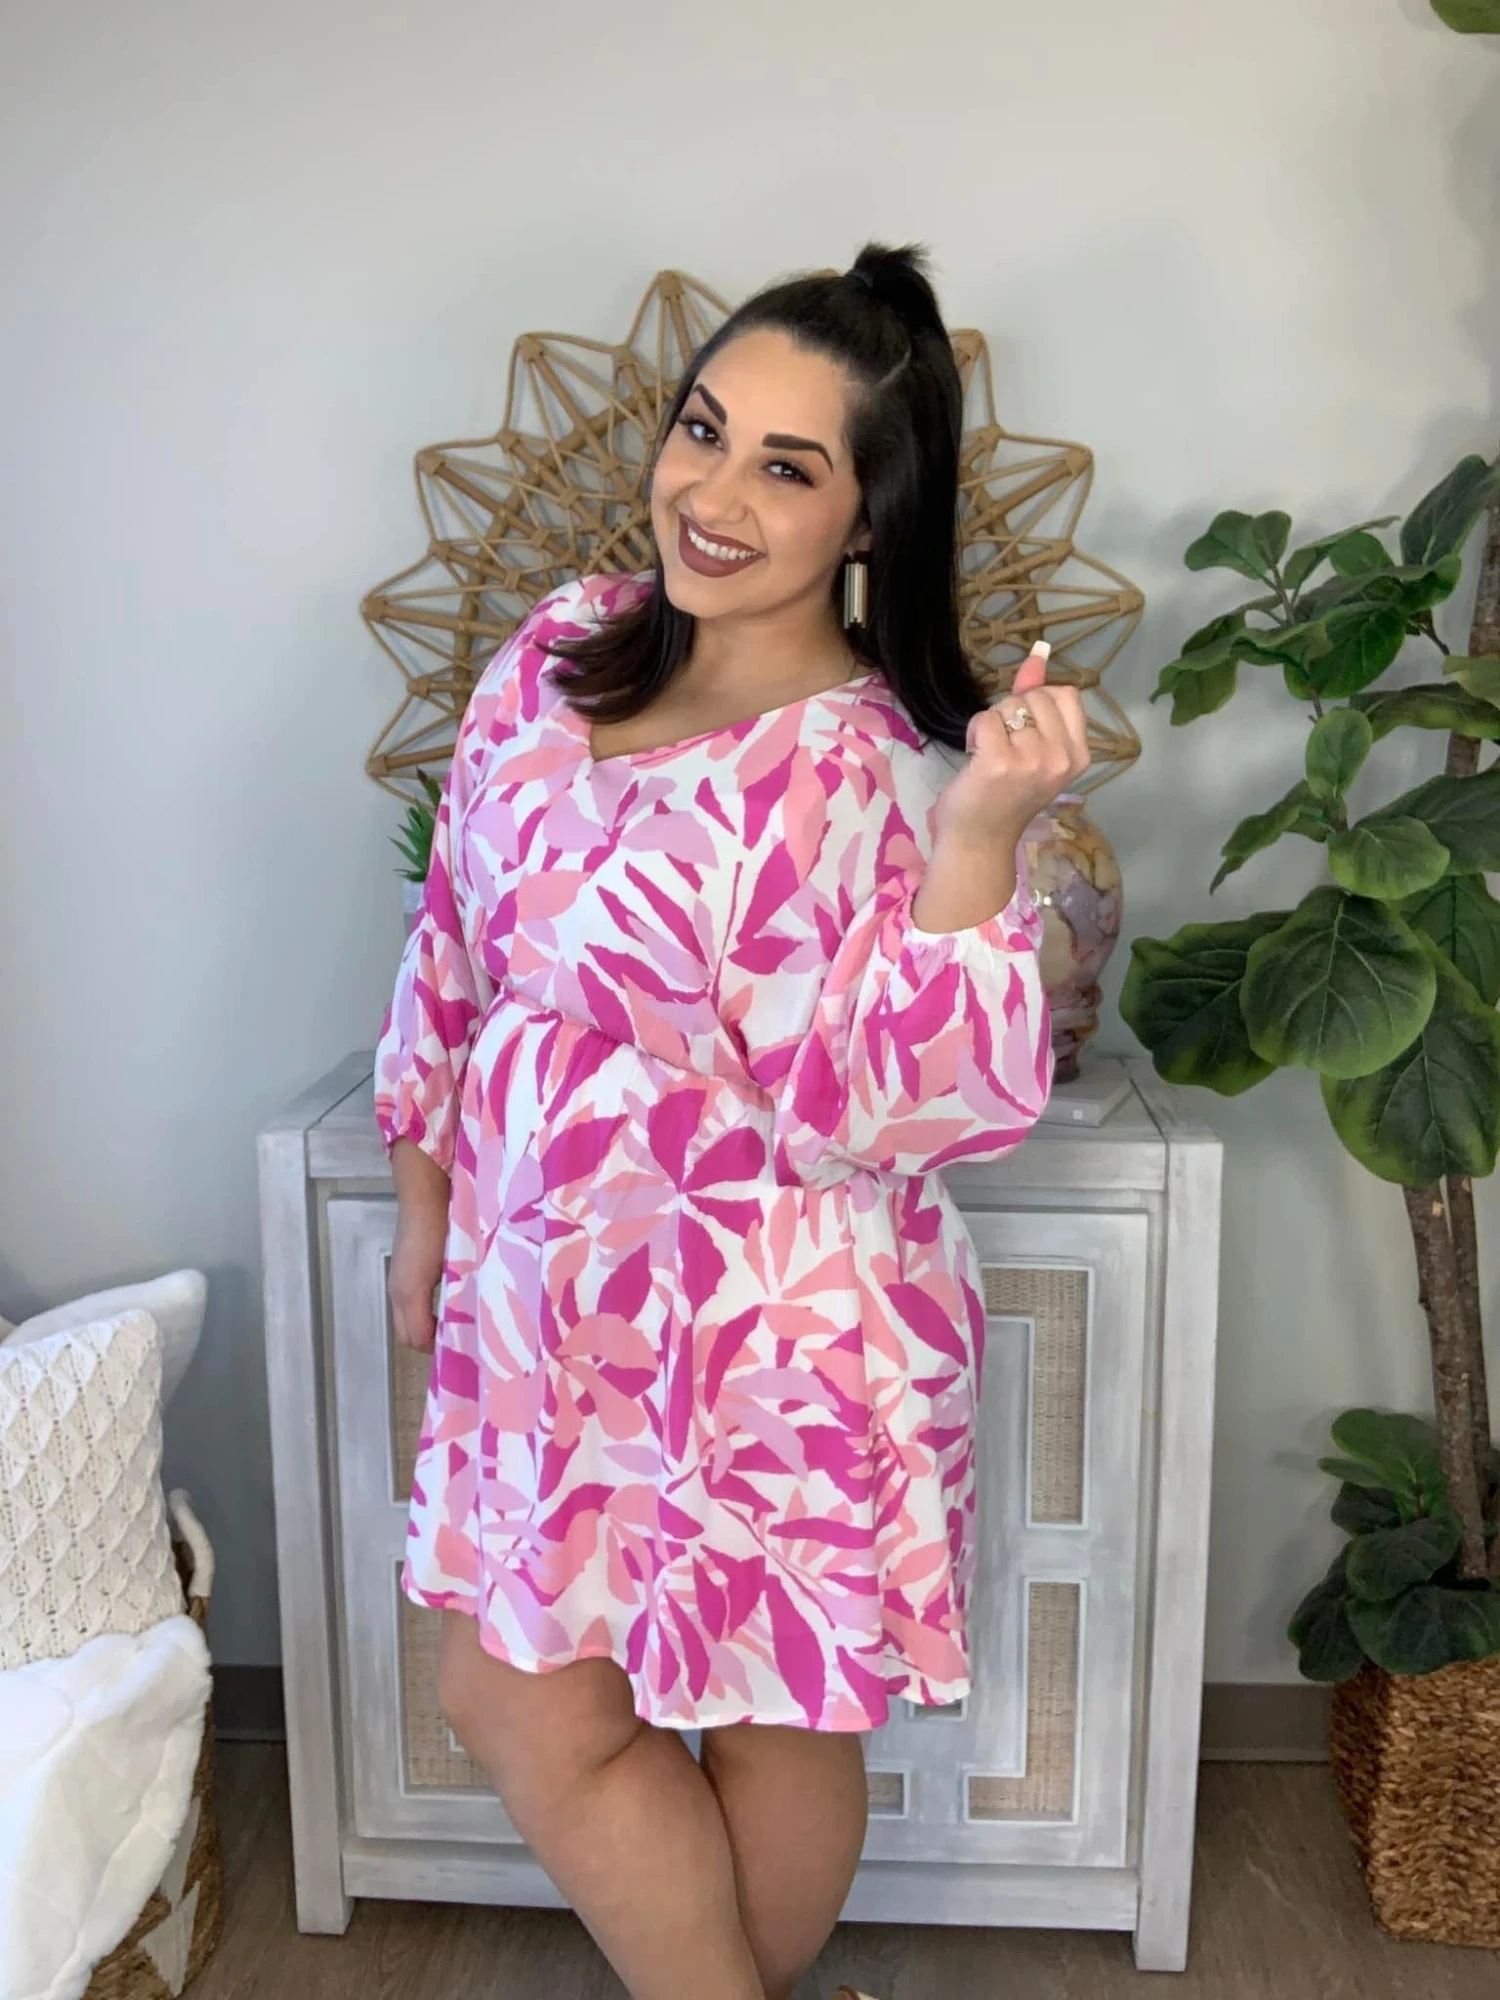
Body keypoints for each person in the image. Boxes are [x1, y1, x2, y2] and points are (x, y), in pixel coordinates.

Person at [374, 242, 1089, 2000]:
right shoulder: (556, 654)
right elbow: (451, 941)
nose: (714, 495)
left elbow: (916, 1106)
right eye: (704, 432)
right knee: (516, 1695)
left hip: (781, 1327)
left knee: (770, 1713)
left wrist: (983, 833)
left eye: (787, 466)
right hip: (548, 1308)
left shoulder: (887, 761)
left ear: (866, 518)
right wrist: (425, 1211)